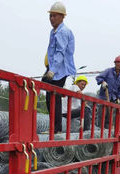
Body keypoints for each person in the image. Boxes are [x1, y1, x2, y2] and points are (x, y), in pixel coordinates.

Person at [42, 1, 76, 133]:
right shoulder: (54, 31)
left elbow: (61, 52)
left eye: (55, 16)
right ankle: (56, 127)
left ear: (62, 17)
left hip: (60, 69)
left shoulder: (63, 31)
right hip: (54, 66)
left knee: (53, 97)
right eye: (51, 16)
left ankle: (56, 128)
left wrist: (52, 70)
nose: (52, 19)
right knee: (51, 95)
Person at [95, 55, 120, 128]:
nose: (119, 64)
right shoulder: (108, 71)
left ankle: (108, 133)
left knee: (110, 117)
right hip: (104, 97)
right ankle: (100, 131)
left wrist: (118, 98)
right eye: (118, 62)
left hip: (112, 99)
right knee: (102, 116)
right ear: (115, 63)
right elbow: (98, 77)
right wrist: (102, 82)